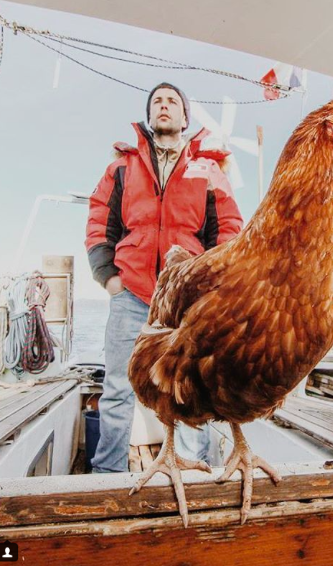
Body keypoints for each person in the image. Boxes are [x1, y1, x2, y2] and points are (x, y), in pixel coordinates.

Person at [85, 82, 243, 473]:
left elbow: (228, 228)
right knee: (118, 388)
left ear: (185, 116)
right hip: (131, 293)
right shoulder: (122, 166)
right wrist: (109, 277)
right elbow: (98, 222)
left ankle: (195, 472)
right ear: (149, 115)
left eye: (172, 101)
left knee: (191, 388)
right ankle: (107, 474)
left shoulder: (208, 167)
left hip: (187, 299)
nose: (164, 106)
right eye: (157, 101)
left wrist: (211, 285)